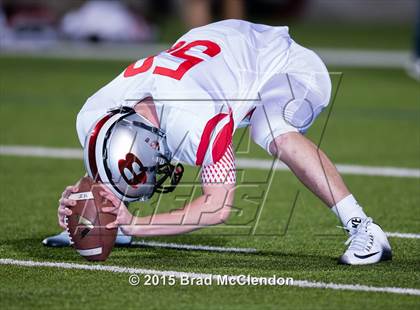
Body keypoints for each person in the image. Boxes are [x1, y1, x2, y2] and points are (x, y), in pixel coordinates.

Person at [46, 19, 391, 265]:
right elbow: (112, 156)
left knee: (270, 128)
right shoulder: (95, 116)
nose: (163, 168)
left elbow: (218, 206)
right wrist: (88, 204)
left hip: (286, 64)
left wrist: (136, 223)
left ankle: (364, 227)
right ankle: (117, 226)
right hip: (223, 51)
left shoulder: (192, 120)